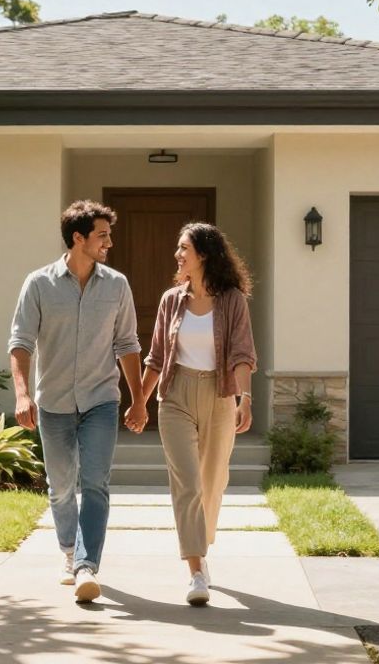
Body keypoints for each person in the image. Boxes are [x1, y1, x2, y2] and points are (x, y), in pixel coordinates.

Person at [8, 200, 146, 603]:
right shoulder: (39, 284)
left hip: (101, 399)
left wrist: (138, 400)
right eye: (102, 236)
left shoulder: (117, 285)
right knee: (61, 486)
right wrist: (22, 394)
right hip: (53, 402)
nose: (109, 243)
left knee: (96, 483)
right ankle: (69, 551)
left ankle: (86, 565)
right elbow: (20, 342)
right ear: (78, 238)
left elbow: (128, 345)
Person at [138, 222, 256, 606]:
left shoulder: (232, 300)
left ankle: (200, 545)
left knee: (212, 482)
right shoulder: (171, 301)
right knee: (187, 482)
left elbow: (241, 353)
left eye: (183, 248)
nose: (177, 255)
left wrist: (244, 399)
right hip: (175, 395)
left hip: (219, 395)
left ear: (203, 254)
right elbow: (156, 357)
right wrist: (139, 401)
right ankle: (195, 570)